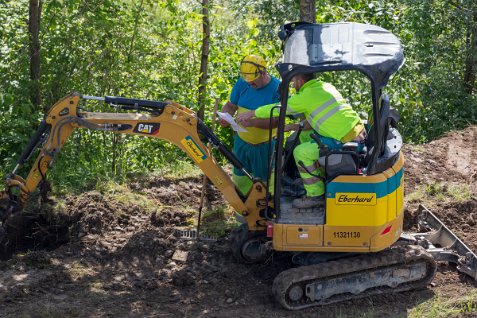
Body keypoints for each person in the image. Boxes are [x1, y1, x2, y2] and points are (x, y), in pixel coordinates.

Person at [237, 73, 365, 208]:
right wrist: (289, 127)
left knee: (300, 152)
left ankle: (316, 195)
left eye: (293, 81)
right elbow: (312, 121)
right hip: (355, 134)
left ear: (300, 80)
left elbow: (281, 109)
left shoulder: (306, 95)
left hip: (344, 142)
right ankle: (313, 177)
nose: (292, 85)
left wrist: (253, 113)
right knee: (304, 135)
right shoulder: (324, 87)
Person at [219, 54, 280, 195]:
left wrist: (253, 122)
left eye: (253, 81)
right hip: (242, 143)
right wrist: (225, 117)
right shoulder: (242, 83)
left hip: (264, 146)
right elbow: (230, 105)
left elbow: (276, 121)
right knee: (240, 180)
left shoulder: (277, 88)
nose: (250, 84)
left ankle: (265, 214)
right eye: (247, 81)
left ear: (263, 73)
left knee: (264, 184)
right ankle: (243, 212)